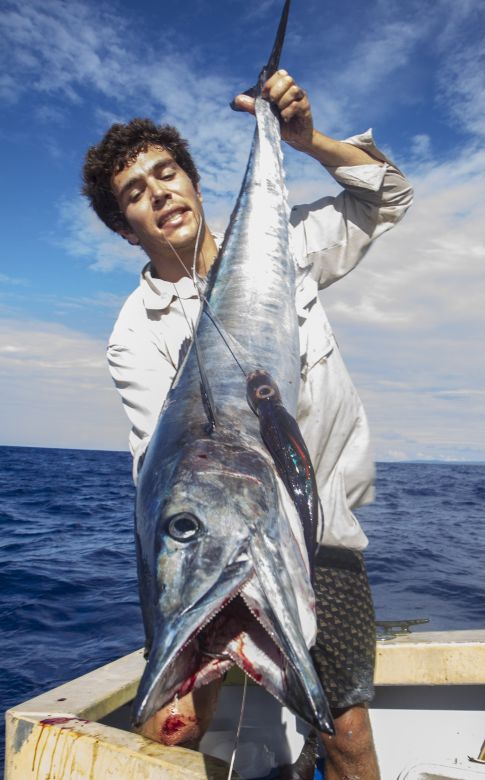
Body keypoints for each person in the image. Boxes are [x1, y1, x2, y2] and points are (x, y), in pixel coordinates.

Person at [82, 70, 413, 779]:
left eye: (166, 174)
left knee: (346, 731)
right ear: (123, 227)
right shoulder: (131, 335)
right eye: (135, 194)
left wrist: (304, 140)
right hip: (220, 541)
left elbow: (389, 196)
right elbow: (170, 466)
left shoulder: (281, 243)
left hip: (318, 538)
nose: (159, 194)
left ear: (194, 183)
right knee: (166, 727)